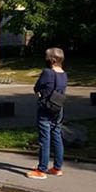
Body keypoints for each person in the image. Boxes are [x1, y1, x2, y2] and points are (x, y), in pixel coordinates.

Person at [27, 47, 68, 180]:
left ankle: (42, 170)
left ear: (52, 59)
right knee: (56, 136)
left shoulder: (47, 73)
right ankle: (57, 167)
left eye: (46, 56)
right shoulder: (63, 73)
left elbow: (37, 87)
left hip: (46, 107)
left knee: (44, 139)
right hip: (58, 107)